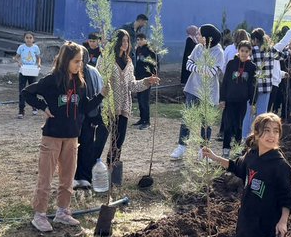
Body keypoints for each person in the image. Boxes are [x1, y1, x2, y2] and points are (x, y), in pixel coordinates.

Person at [22, 42, 90, 232]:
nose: (79, 65)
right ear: (66, 61)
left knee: (67, 177)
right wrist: (43, 107)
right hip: (52, 137)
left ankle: (62, 212)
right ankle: (40, 215)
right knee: (46, 177)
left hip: (72, 137)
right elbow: (27, 93)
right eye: (76, 61)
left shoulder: (80, 83)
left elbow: (84, 107)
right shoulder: (52, 81)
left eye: (81, 62)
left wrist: (101, 96)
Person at [104, 29, 159, 165]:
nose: (125, 43)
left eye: (127, 41)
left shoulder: (128, 61)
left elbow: (132, 85)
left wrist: (147, 81)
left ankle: (113, 167)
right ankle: (91, 169)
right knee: (101, 139)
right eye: (122, 40)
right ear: (116, 42)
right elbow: (102, 79)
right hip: (108, 106)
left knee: (119, 140)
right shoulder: (107, 59)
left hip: (124, 106)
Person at [172, 25, 225, 159]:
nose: (198, 36)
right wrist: (202, 68)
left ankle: (204, 151)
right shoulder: (198, 48)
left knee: (206, 122)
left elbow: (212, 72)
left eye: (200, 34)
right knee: (187, 118)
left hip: (209, 93)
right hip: (193, 88)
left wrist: (198, 67)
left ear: (207, 38)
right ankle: (181, 147)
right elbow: (188, 65)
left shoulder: (218, 51)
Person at [73, 48, 107, 190]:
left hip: (89, 116)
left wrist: (97, 113)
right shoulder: (70, 74)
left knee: (86, 147)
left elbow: (99, 91)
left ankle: (85, 177)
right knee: (73, 148)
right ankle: (74, 177)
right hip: (73, 117)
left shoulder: (92, 72)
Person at [250, 25, 291, 120]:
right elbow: (283, 56)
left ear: (255, 39)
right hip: (266, 85)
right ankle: (259, 131)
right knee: (262, 112)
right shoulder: (271, 50)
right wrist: (289, 50)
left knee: (250, 110)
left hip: (253, 85)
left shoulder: (252, 51)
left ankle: (246, 132)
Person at [220, 41, 258, 151]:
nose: (244, 54)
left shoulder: (252, 67)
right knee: (228, 125)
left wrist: (253, 101)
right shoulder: (231, 64)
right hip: (230, 100)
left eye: (246, 51)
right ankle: (226, 149)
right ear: (238, 51)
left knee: (239, 125)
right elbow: (225, 82)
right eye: (242, 51)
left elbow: (253, 85)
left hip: (242, 101)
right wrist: (222, 99)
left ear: (250, 52)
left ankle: (237, 149)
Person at [133, 32, 158, 129]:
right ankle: (141, 118)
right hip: (139, 78)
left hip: (147, 77)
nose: (139, 41)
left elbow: (155, 64)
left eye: (141, 39)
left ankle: (147, 121)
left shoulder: (150, 49)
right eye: (138, 40)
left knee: (144, 100)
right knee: (139, 99)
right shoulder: (138, 49)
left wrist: (153, 76)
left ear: (145, 39)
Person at [15, 31, 42, 119]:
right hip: (23, 71)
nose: (29, 39)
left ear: (33, 39)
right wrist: (19, 62)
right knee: (22, 90)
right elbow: (16, 57)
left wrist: (38, 64)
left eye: (30, 38)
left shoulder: (36, 48)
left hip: (32, 71)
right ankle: (21, 110)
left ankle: (34, 106)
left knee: (33, 90)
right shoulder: (21, 47)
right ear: (24, 39)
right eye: (27, 38)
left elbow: (38, 58)